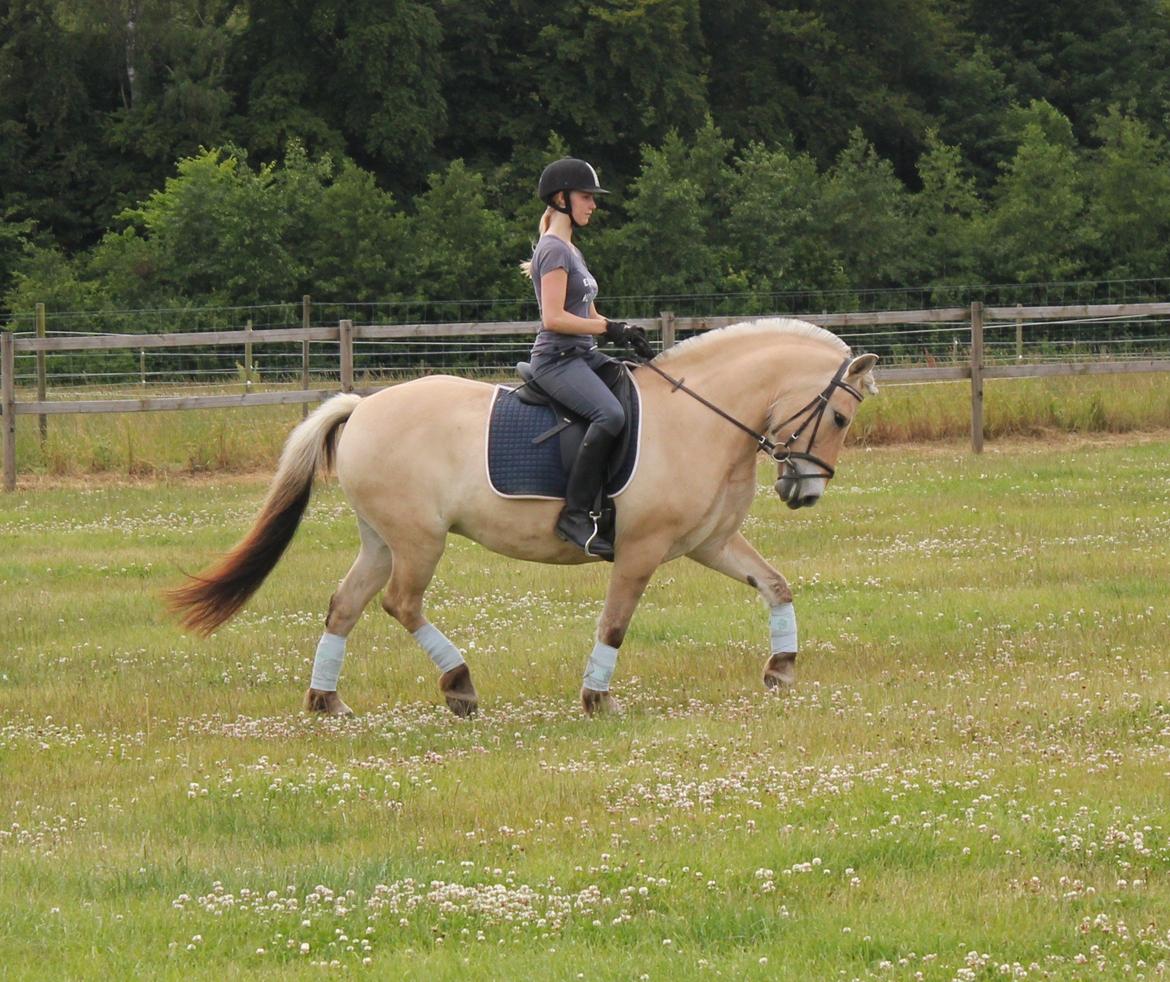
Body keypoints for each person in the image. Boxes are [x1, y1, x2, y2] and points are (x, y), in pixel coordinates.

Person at [521, 157, 654, 560]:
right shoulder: (553, 250)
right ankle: (575, 514)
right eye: (586, 197)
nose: (593, 205)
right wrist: (607, 329)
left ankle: (615, 500)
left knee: (637, 389)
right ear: (561, 199)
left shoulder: (571, 250)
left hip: (583, 354)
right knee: (609, 415)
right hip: (556, 360)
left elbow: (588, 312)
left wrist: (622, 330)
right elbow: (554, 318)